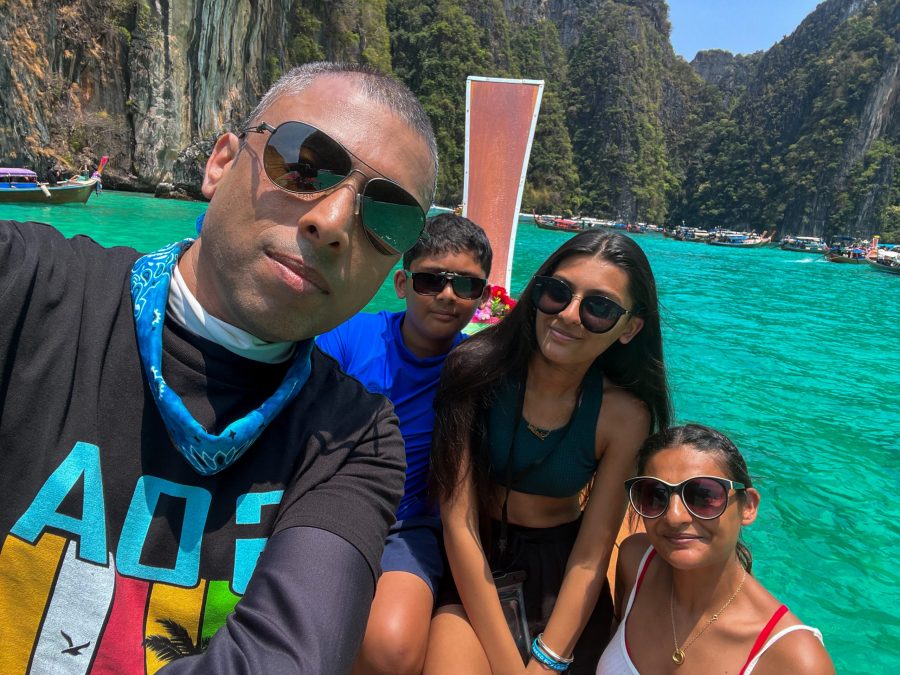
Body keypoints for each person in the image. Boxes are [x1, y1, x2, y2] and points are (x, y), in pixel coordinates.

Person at [0, 61, 437, 674]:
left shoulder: (353, 440)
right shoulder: (24, 290)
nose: (332, 222)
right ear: (222, 162)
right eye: (303, 164)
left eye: (387, 217)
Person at [425, 230, 672, 675]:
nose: (569, 316)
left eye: (599, 308)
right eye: (557, 293)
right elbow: (458, 523)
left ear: (630, 328)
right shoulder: (475, 373)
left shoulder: (624, 415)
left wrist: (548, 660)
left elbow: (592, 552)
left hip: (563, 575)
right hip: (475, 561)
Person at [318, 212, 492, 675]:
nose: (448, 295)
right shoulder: (349, 337)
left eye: (466, 285)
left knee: (392, 651)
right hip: (326, 506)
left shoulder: (477, 369)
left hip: (408, 527)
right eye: (431, 280)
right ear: (402, 283)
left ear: (483, 297)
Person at [597, 424, 835, 674]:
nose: (674, 516)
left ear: (748, 506)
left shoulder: (795, 659)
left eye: (702, 495)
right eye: (655, 495)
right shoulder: (635, 561)